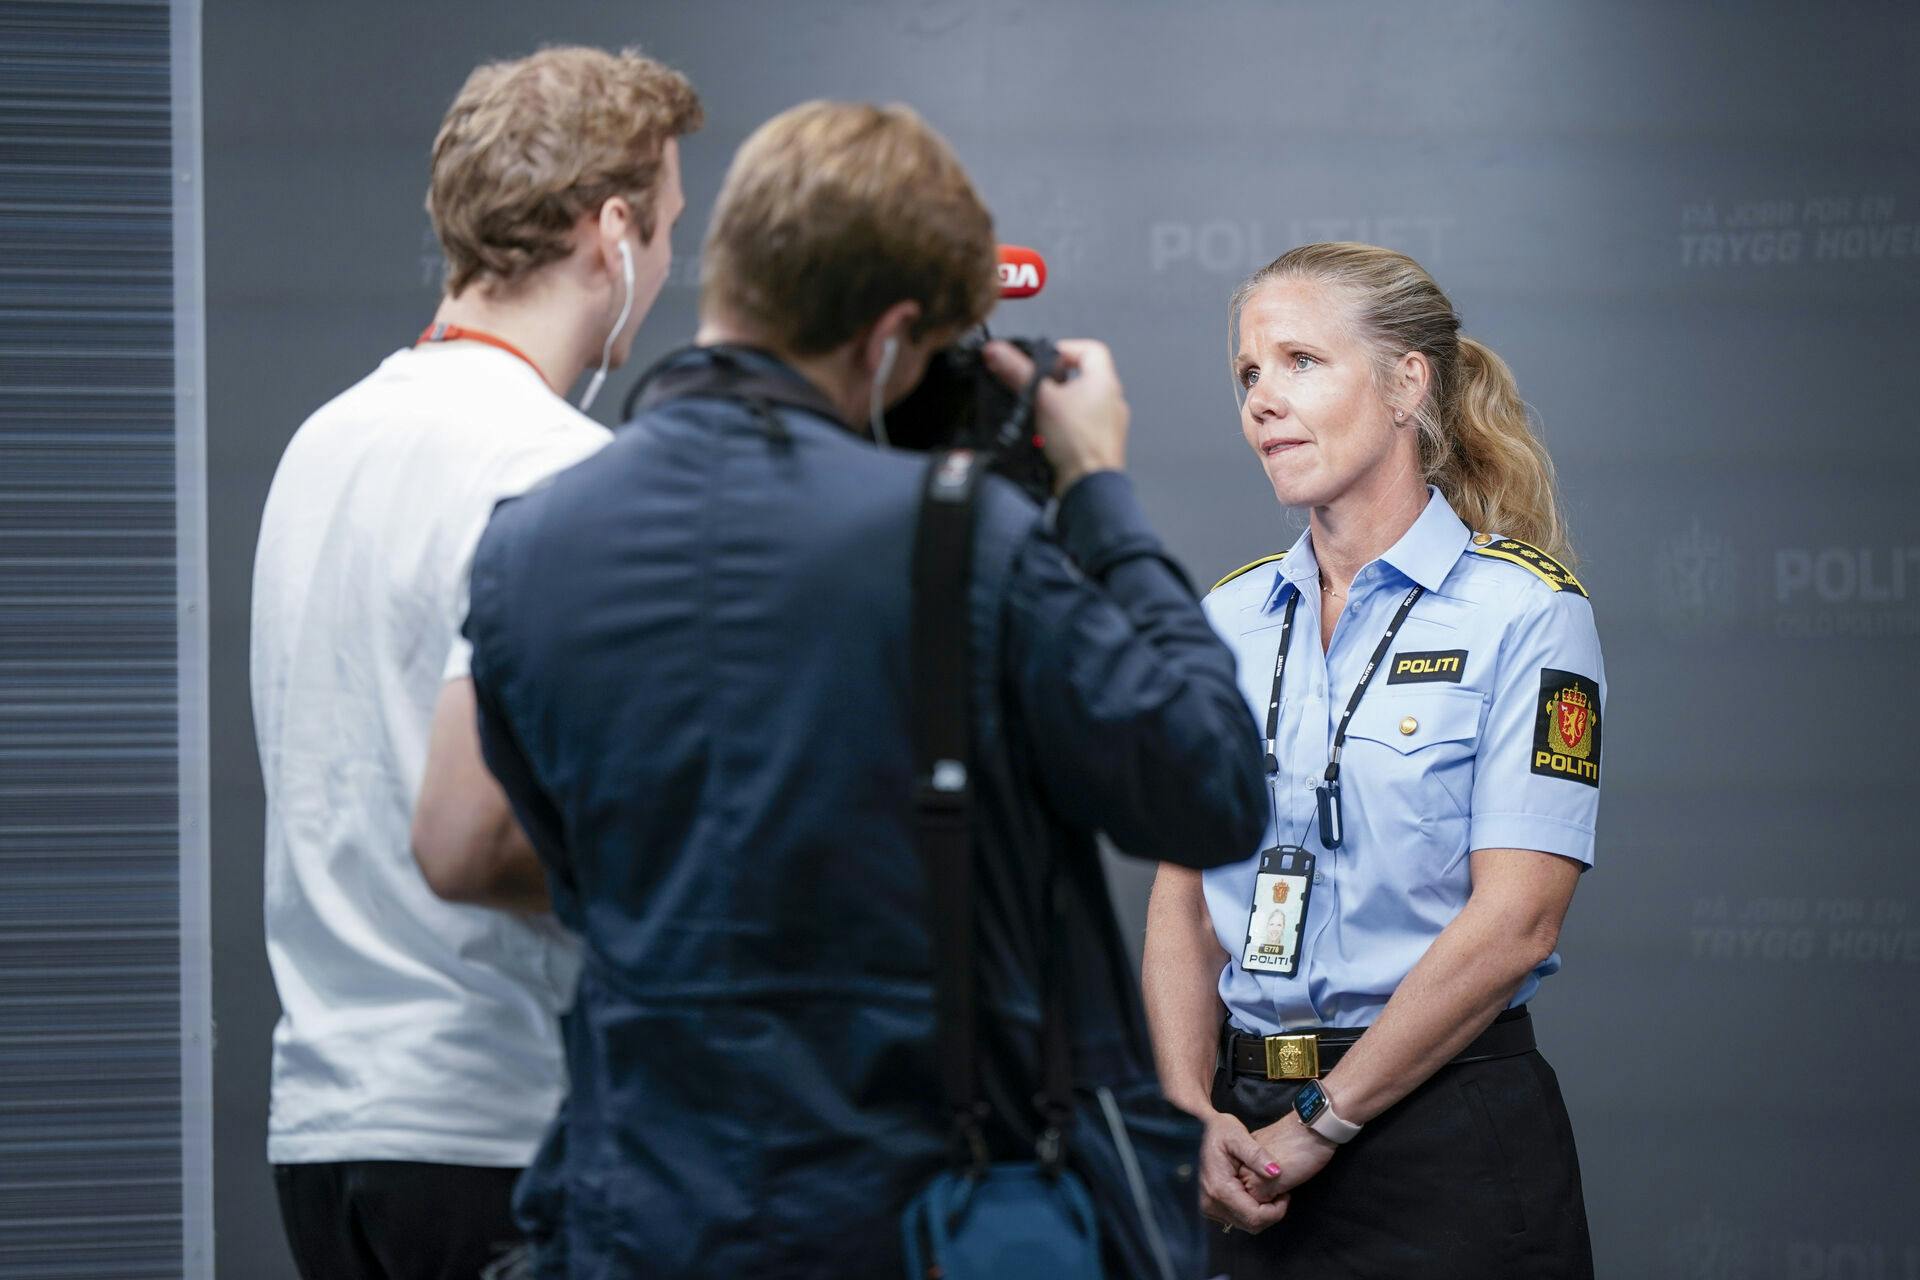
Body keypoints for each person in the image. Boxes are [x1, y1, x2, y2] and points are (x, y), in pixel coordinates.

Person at [418, 100, 1269, 1276]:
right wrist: (1098, 491)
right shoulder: (957, 542)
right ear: (888, 337)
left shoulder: (524, 546)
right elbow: (1212, 787)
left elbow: (543, 853)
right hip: (905, 1214)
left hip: (638, 1210)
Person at [249, 46, 700, 1280]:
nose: (666, 267)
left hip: (328, 1133)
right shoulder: (554, 467)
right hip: (502, 1127)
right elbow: (487, 833)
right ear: (613, 231)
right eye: (665, 230)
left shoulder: (319, 443)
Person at [1142, 242, 1604, 1278]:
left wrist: (1322, 1122)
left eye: (1302, 360)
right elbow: (1183, 893)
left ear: (1407, 383)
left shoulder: (1525, 611)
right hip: (1243, 1143)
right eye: (1249, 373)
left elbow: (1519, 917)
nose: (1264, 397)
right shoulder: (1225, 617)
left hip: (1440, 1142)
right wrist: (1185, 1106)